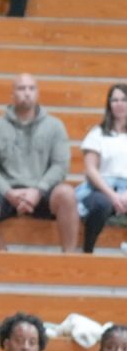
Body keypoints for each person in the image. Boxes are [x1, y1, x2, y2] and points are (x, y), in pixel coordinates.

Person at [0, 73, 79, 253]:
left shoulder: (55, 126)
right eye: (21, 88)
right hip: (6, 192)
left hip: (42, 191)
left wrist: (38, 190)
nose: (26, 93)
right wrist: (8, 192)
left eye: (31, 88)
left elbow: (61, 165)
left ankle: (69, 258)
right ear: (12, 94)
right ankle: (2, 253)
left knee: (67, 194)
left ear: (37, 93)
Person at [77, 83, 127, 253]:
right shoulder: (97, 133)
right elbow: (91, 170)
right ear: (109, 104)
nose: (119, 104)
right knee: (101, 204)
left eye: (124, 100)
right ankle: (88, 250)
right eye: (115, 100)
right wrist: (113, 196)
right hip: (102, 188)